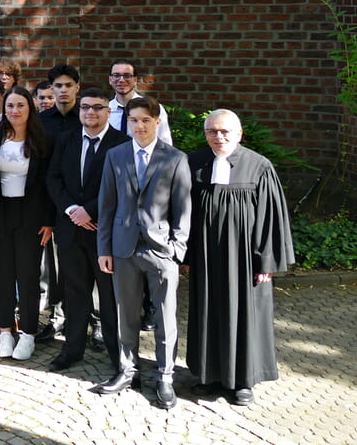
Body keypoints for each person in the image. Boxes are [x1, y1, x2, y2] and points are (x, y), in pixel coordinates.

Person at [186, 109, 294, 406]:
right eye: (212, 131)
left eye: (225, 132)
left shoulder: (259, 166)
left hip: (245, 260)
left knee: (245, 316)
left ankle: (244, 380)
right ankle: (209, 376)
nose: (218, 137)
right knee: (208, 312)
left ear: (238, 134)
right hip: (207, 257)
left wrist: (266, 262)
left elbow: (271, 217)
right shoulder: (195, 163)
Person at [94, 96, 191, 410]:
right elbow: (106, 205)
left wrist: (177, 249)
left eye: (145, 120)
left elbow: (183, 208)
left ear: (156, 122)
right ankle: (127, 369)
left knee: (164, 317)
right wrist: (104, 248)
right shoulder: (116, 155)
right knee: (127, 313)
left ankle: (165, 375)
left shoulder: (174, 158)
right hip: (122, 248)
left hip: (161, 250)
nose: (139, 126)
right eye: (134, 120)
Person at [45, 87, 129, 372]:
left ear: (108, 112)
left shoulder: (121, 143)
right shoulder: (66, 140)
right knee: (75, 293)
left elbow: (121, 187)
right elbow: (53, 178)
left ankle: (119, 358)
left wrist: (89, 210)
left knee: (109, 298)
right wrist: (71, 210)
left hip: (104, 234)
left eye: (97, 107)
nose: (90, 112)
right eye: (85, 108)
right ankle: (72, 350)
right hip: (70, 230)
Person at [0, 86, 53, 362]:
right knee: (2, 274)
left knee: (27, 276)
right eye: (10, 105)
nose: (15, 111)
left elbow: (48, 183)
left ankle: (28, 334)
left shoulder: (42, 138)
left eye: (20, 106)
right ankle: (4, 331)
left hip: (31, 214)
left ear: (30, 108)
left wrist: (49, 221)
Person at [106, 60, 172, 143]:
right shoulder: (104, 110)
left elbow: (165, 143)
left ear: (135, 80)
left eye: (127, 75)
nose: (121, 80)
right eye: (116, 75)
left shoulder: (153, 108)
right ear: (110, 79)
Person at [40, 63, 82, 140]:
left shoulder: (85, 117)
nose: (63, 90)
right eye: (58, 86)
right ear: (52, 88)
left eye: (69, 85)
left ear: (77, 88)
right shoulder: (41, 119)